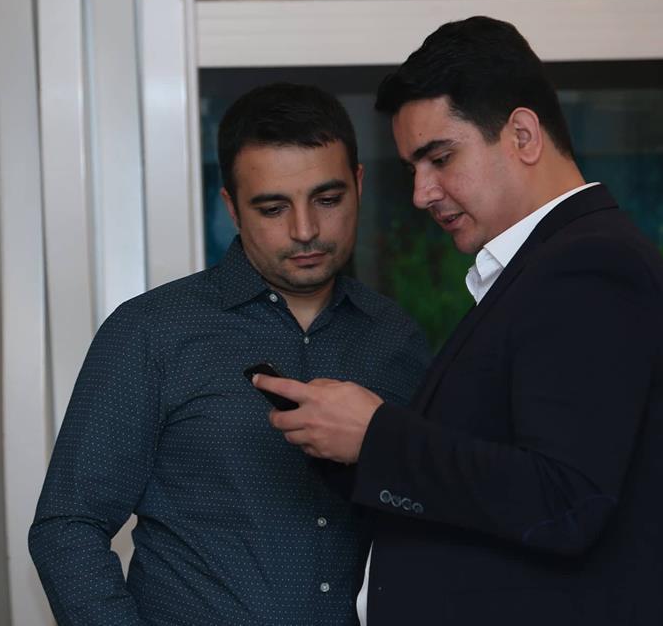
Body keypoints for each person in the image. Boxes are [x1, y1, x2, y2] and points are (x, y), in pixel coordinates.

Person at [258, 17, 663, 625]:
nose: (421, 193)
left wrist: (376, 437)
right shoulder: (543, 268)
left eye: (440, 158)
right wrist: (347, 448)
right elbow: (497, 481)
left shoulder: (589, 267)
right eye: (413, 168)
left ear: (523, 135)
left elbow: (564, 501)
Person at [28, 82, 428, 625]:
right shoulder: (153, 331)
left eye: (327, 199)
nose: (305, 229)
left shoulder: (396, 338)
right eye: (273, 208)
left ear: (358, 184)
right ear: (232, 208)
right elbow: (68, 526)